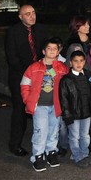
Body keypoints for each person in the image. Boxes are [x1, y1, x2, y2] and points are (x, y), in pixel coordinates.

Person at [5, 4, 49, 157]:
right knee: (20, 111)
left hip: (41, 76)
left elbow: (46, 52)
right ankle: (15, 144)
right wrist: (30, 73)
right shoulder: (13, 32)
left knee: (43, 108)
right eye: (27, 14)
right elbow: (12, 58)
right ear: (20, 17)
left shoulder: (41, 30)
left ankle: (47, 144)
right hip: (20, 77)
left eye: (33, 12)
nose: (32, 16)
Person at [20, 38, 69, 171]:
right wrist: (28, 100)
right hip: (40, 105)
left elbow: (66, 85)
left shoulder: (62, 68)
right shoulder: (34, 67)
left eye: (55, 48)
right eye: (49, 48)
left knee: (54, 130)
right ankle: (37, 156)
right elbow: (24, 85)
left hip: (55, 105)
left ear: (58, 51)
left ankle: (51, 152)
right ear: (43, 51)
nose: (52, 50)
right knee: (40, 131)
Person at [59, 50, 91, 168]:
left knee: (85, 135)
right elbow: (63, 99)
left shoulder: (88, 75)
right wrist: (67, 114)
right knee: (74, 136)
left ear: (84, 62)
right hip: (73, 113)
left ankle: (84, 154)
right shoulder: (66, 80)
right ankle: (78, 156)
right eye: (75, 61)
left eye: (81, 61)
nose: (78, 64)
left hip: (86, 111)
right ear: (70, 63)